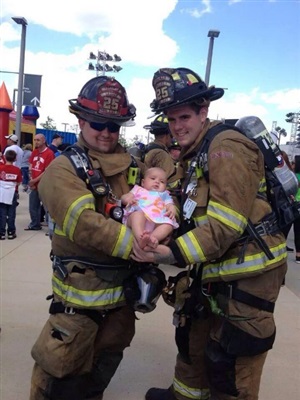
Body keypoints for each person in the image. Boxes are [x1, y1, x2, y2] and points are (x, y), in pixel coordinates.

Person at [132, 67, 287, 400]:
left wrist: (171, 253)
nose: (176, 127)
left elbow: (224, 225)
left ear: (204, 111)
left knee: (230, 370)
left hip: (248, 279)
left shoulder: (224, 148)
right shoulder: (197, 151)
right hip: (215, 268)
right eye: (171, 120)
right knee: (194, 340)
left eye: (184, 116)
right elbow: (191, 206)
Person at [29, 75, 147, 400]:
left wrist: (163, 166)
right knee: (55, 387)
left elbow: (164, 189)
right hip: (76, 315)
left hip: (120, 310)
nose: (107, 132)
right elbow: (84, 224)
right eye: (98, 123)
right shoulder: (63, 169)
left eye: (115, 125)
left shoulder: (133, 166)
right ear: (81, 120)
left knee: (95, 384)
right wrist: (144, 247)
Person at [122, 167, 178, 249]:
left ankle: (152, 238)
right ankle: (140, 238)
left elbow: (170, 204)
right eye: (153, 178)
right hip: (139, 216)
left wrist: (172, 209)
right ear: (143, 182)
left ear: (165, 187)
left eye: (162, 182)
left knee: (169, 224)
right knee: (137, 215)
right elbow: (124, 197)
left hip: (157, 221)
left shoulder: (164, 194)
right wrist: (128, 199)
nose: (157, 182)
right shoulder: (138, 189)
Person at [24, 134, 55, 231]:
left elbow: (47, 171)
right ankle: (35, 224)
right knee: (33, 206)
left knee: (47, 208)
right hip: (34, 184)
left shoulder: (49, 153)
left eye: (38, 140)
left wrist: (35, 180)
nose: (36, 142)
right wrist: (30, 179)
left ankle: (52, 228)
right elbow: (31, 165)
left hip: (44, 185)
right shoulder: (34, 152)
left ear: (44, 140)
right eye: (35, 140)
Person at [143, 114, 176, 180]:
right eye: (172, 136)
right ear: (167, 135)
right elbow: (167, 182)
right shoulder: (162, 155)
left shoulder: (148, 149)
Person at [0, 150, 22, 240]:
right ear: (15, 158)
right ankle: (11, 232)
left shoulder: (1, 168)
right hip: (12, 192)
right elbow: (18, 182)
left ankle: (1, 232)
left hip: (2, 192)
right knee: (11, 212)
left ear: (5, 157)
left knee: (2, 212)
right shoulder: (17, 170)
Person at [292, 155, 300, 263]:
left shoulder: (293, 177)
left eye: (293, 163)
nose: (292, 164)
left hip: (294, 205)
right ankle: (299, 254)